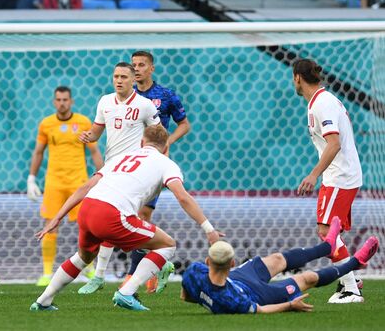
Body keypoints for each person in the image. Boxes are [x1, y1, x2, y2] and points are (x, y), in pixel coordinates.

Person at [31, 125, 221, 312]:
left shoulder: (122, 157)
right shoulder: (167, 164)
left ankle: (43, 301)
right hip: (111, 214)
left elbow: (86, 187)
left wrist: (56, 218)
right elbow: (182, 197)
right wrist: (209, 229)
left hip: (88, 208)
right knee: (167, 244)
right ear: (166, 148)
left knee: (84, 256)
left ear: (141, 142)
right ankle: (127, 292)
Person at [75, 62, 161, 295]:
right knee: (112, 223)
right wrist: (88, 136)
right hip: (111, 168)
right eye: (115, 76)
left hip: (134, 172)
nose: (119, 80)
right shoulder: (105, 101)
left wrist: (159, 168)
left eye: (124, 76)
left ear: (133, 79)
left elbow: (160, 135)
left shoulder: (144, 105)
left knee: (114, 222)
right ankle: (160, 258)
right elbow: (96, 131)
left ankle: (103, 275)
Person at [181, 217, 379, 314]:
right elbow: (261, 310)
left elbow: (185, 296)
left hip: (237, 277)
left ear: (208, 262)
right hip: (258, 294)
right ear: (232, 262)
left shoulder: (194, 272)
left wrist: (204, 298)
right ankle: (355, 262)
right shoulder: (232, 300)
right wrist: (290, 305)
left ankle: (326, 247)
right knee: (307, 278)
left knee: (277, 258)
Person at [293, 59, 364, 303]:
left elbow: (334, 143)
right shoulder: (321, 101)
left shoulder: (322, 104)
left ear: (297, 78)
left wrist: (313, 175)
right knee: (331, 231)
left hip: (340, 176)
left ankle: (351, 289)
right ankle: (351, 280)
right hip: (340, 174)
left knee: (326, 231)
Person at [122, 50, 191, 292]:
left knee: (142, 216)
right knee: (129, 216)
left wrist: (168, 141)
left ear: (151, 68)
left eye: (141, 65)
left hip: (152, 164)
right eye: (134, 65)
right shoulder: (125, 96)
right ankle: (158, 264)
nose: (137, 69)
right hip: (129, 164)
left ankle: (134, 273)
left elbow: (185, 123)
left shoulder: (165, 96)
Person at [27, 86, 103, 286]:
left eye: (65, 99)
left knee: (87, 226)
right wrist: (31, 178)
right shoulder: (46, 124)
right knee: (50, 226)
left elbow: (94, 151)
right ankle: (46, 273)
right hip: (54, 182)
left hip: (78, 182)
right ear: (54, 102)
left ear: (71, 102)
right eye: (58, 99)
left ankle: (88, 268)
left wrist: (104, 176)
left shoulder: (83, 122)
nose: (62, 103)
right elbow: (38, 152)